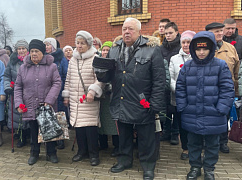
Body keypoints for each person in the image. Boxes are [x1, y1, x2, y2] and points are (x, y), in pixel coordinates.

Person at [96, 17, 165, 179]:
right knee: (124, 135)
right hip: (121, 99)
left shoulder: (152, 49)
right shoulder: (114, 49)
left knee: (146, 137)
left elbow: (159, 80)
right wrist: (100, 71)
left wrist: (155, 104)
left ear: (139, 31)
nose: (127, 32)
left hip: (143, 102)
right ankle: (125, 160)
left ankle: (148, 165)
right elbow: (108, 77)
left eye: (131, 29)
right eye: (124, 29)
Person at [176, 31, 234, 180]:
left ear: (211, 48)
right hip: (192, 112)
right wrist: (183, 106)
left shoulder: (220, 65)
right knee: (193, 143)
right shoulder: (188, 66)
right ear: (194, 49)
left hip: (213, 113)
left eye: (205, 49)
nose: (201, 52)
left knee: (212, 145)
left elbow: (227, 89)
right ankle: (195, 167)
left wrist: (221, 108)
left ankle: (209, 169)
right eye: (198, 49)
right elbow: (180, 87)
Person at [14, 39, 61, 165]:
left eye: (37, 51)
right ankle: (34, 152)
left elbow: (57, 83)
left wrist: (49, 100)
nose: (34, 54)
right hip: (30, 104)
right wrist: (19, 103)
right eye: (32, 51)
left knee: (49, 129)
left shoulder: (52, 67)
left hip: (46, 105)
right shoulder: (23, 68)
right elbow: (18, 86)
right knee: (34, 130)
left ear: (43, 53)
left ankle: (51, 153)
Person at [62, 30, 104, 166]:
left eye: (82, 44)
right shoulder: (73, 60)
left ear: (89, 44)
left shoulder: (95, 58)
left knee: (90, 128)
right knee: (78, 128)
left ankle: (94, 154)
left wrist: (93, 91)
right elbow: (68, 79)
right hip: (75, 99)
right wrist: (66, 95)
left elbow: (100, 79)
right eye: (77, 43)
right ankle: (82, 151)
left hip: (89, 99)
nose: (79, 46)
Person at [206, 22, 240, 154]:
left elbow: (236, 71)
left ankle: (223, 142)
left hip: (226, 91)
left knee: (224, 117)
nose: (220, 33)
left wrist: (236, 91)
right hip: (209, 90)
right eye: (216, 31)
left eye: (221, 31)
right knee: (208, 116)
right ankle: (207, 142)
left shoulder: (230, 48)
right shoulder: (204, 48)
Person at [169, 30, 196, 160]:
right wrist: (179, 90)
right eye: (183, 42)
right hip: (179, 98)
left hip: (195, 99)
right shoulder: (174, 59)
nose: (185, 45)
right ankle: (185, 148)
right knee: (182, 124)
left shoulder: (198, 57)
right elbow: (171, 78)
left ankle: (196, 148)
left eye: (188, 42)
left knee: (195, 125)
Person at [3, 40, 30, 148]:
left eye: (23, 48)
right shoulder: (12, 61)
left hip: (29, 92)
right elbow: (6, 76)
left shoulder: (31, 60)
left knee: (29, 114)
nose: (21, 51)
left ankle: (30, 134)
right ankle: (21, 136)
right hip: (16, 92)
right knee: (18, 115)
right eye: (19, 49)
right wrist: (7, 86)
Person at [43, 37, 68, 150]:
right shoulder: (42, 58)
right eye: (45, 45)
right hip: (46, 92)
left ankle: (61, 138)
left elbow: (65, 75)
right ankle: (49, 137)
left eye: (48, 45)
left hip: (59, 90)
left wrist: (63, 91)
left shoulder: (61, 59)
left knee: (59, 115)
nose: (46, 47)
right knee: (48, 115)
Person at [160, 21, 181, 145]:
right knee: (166, 108)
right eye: (166, 33)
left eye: (170, 33)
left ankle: (175, 133)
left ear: (176, 32)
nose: (168, 35)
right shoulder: (161, 48)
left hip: (176, 82)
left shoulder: (180, 47)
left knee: (176, 109)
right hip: (164, 82)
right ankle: (166, 132)